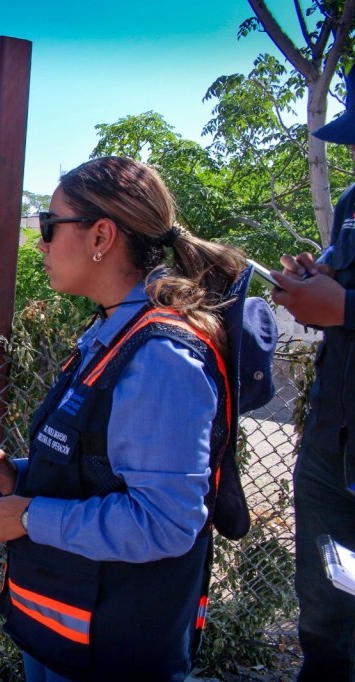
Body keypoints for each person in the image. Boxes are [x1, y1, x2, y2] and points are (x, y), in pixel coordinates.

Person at [0, 156, 271, 681]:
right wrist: (18, 476)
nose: (42, 244)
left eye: (50, 226)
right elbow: (100, 468)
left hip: (114, 651)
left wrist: (27, 517)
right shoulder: (112, 333)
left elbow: (165, 521)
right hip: (63, 638)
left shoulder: (162, 357)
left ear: (101, 235)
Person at [270, 64, 355, 681]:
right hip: (334, 443)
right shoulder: (351, 203)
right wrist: (314, 281)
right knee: (327, 613)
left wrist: (345, 309)